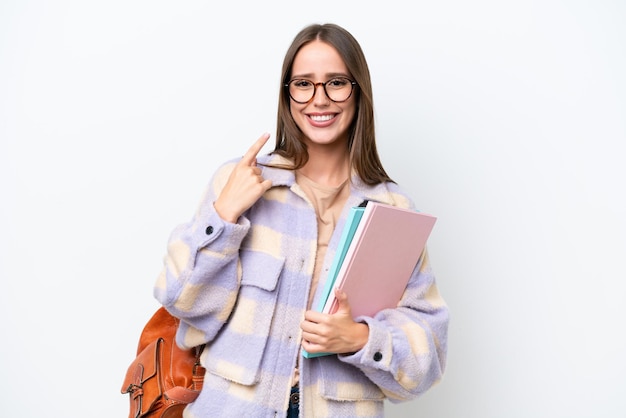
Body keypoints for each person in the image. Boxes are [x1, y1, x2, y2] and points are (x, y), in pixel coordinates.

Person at [154, 23, 449, 418]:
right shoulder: (241, 183)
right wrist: (223, 216)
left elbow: (426, 362)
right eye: (304, 84)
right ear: (287, 95)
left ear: (358, 92)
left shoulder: (393, 211)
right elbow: (181, 300)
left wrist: (359, 338)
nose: (319, 99)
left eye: (336, 83)